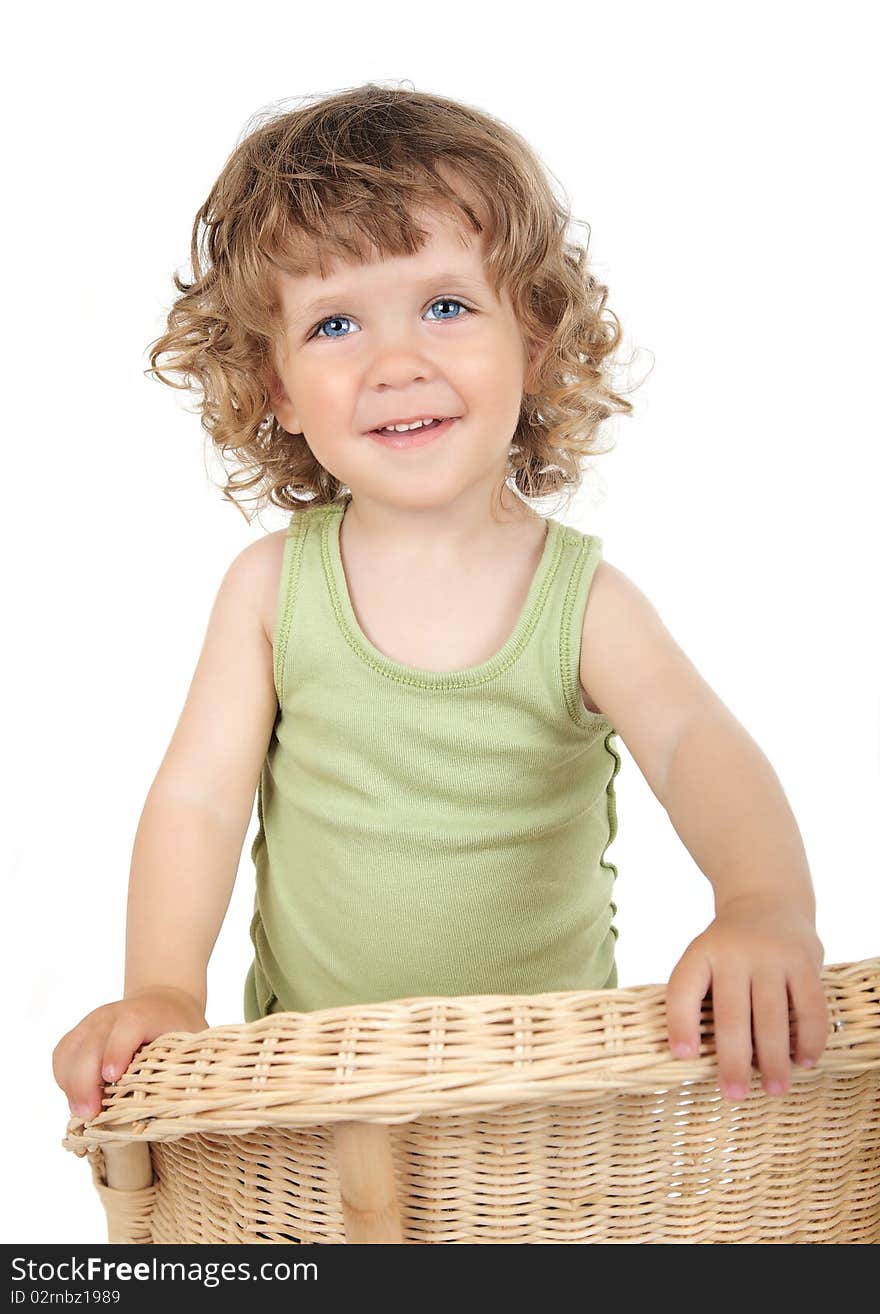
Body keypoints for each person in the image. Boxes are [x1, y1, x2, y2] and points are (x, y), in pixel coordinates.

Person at [53, 82, 828, 1126]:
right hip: (314, 1087)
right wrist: (163, 989)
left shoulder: (584, 602)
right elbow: (198, 800)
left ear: (536, 341)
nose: (396, 364)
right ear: (275, 385)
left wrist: (761, 905)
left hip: (542, 1090)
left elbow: (695, 745)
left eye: (448, 306)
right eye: (333, 324)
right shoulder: (271, 589)